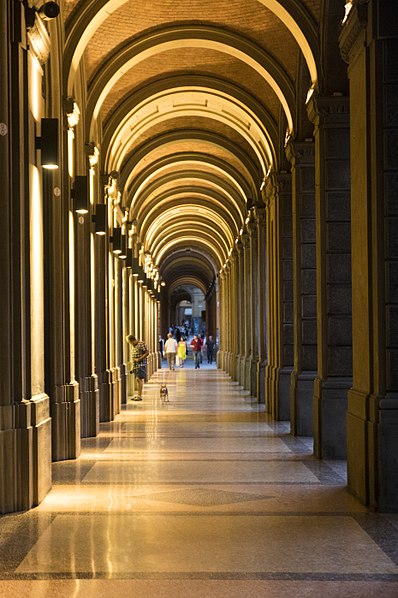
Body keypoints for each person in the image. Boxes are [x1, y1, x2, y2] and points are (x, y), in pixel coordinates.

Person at [126, 334, 149, 401]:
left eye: (130, 342)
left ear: (132, 340)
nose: (130, 344)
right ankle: (138, 394)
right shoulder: (134, 345)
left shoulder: (141, 343)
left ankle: (140, 396)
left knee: (139, 379)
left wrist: (139, 359)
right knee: (137, 379)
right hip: (136, 365)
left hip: (140, 364)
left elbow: (147, 352)